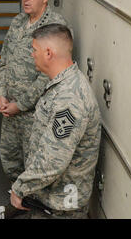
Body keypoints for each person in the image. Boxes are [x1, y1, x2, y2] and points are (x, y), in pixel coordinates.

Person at [10, 24, 101, 219]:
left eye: (34, 50)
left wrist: (20, 188)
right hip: (49, 198)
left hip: (60, 208)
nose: (32, 54)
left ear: (48, 53)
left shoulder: (70, 98)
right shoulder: (61, 84)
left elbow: (53, 160)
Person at [0, 0, 68, 185]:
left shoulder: (55, 27)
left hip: (34, 116)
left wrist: (21, 104)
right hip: (9, 110)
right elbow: (4, 60)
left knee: (35, 165)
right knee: (10, 160)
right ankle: (18, 198)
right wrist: (1, 94)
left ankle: (31, 205)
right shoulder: (18, 22)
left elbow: (49, 75)